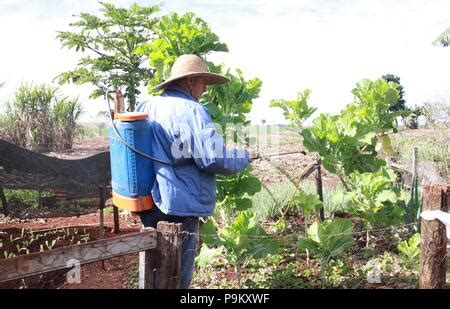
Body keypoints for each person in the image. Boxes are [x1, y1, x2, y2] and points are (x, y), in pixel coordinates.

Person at [135, 54, 252, 288]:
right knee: (178, 277)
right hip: (180, 205)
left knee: (153, 272)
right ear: (189, 81)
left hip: (151, 201)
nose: (205, 87)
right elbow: (213, 159)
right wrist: (244, 156)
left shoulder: (148, 105)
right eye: (202, 81)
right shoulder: (193, 111)